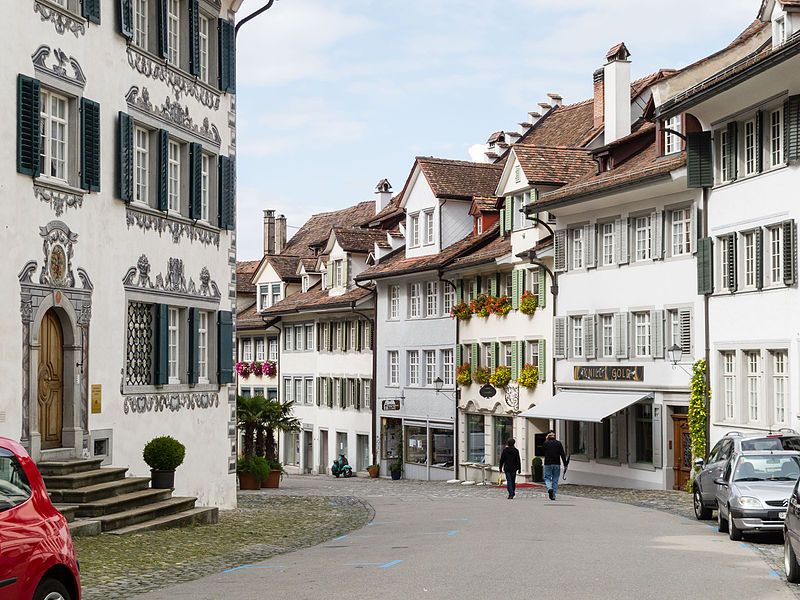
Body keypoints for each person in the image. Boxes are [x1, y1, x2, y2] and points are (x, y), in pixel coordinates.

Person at [542, 430, 567, 501]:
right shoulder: (558, 443)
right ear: (554, 436)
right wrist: (565, 464)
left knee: (547, 478)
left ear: (548, 436)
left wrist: (546, 439)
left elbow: (542, 450)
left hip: (548, 463)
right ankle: (553, 494)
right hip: (556, 463)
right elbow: (562, 454)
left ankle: (550, 488)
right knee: (555, 479)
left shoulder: (546, 443)